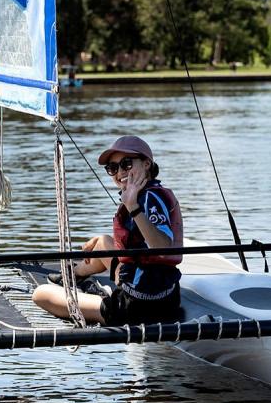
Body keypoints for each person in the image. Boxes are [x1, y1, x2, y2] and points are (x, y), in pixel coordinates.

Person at [32, 135, 183, 326]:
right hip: (164, 291)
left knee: (41, 294)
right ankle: (74, 276)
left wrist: (132, 206)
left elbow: (162, 248)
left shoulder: (147, 199)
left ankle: (85, 290)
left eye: (126, 164)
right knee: (103, 242)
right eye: (112, 168)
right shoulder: (151, 192)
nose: (119, 172)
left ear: (146, 164)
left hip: (137, 305)